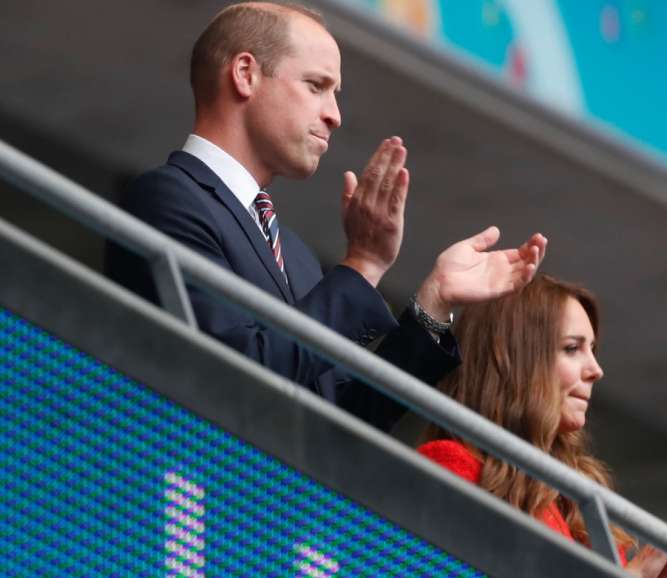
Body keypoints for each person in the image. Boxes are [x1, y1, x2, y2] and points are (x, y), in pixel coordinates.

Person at [105, 2, 547, 431]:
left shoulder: (294, 255)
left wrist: (434, 302)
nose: (334, 115)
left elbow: (340, 420)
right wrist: (362, 265)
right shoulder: (167, 198)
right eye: (316, 86)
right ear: (245, 75)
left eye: (334, 93)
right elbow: (234, 377)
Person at [419, 274, 667, 576]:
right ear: (516, 361)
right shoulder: (451, 462)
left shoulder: (575, 498)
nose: (596, 369)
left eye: (592, 350)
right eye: (572, 348)